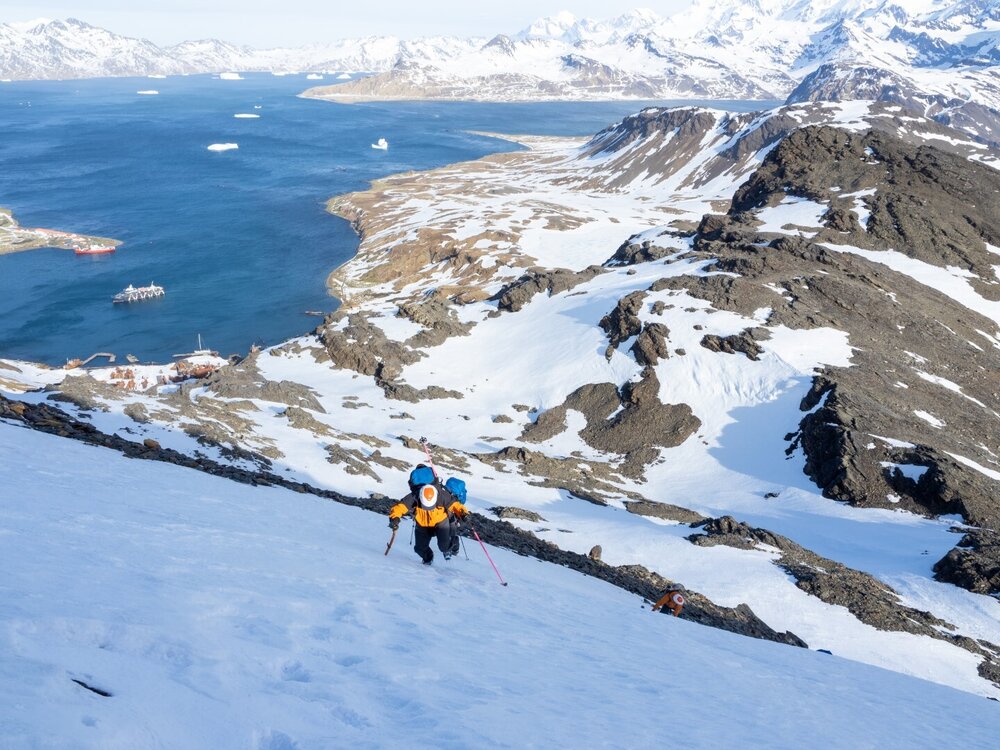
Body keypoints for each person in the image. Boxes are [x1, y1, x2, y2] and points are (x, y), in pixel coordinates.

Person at [389, 469, 469, 565]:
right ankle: (428, 558)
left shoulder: (442, 495)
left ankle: (452, 543)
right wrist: (394, 518)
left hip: (440, 522)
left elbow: (456, 505)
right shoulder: (414, 496)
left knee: (443, 546)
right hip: (422, 524)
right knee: (419, 548)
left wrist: (463, 514)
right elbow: (399, 507)